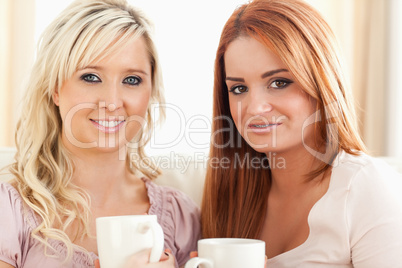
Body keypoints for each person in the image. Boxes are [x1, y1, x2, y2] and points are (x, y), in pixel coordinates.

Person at [201, 0, 402, 267]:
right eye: (239, 89)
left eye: (279, 82)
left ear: (321, 82)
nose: (255, 108)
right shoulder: (233, 191)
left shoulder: (365, 187)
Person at [0, 0, 200, 267]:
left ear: (150, 91)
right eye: (91, 77)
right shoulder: (10, 209)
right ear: (55, 89)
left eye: (131, 80)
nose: (112, 101)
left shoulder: (180, 217)